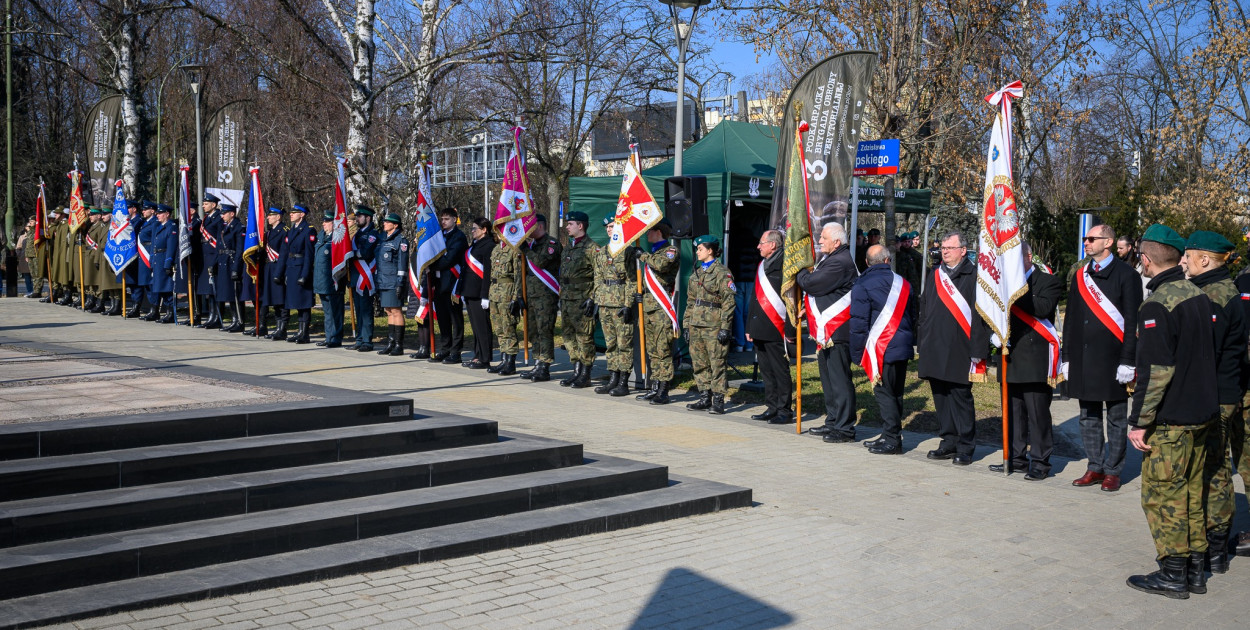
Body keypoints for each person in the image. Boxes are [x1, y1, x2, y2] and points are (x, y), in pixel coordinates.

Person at [1124, 224, 1218, 599]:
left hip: (1173, 420)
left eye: (1140, 258)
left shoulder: (1157, 304)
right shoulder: (1198, 295)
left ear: (1146, 260)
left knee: (1163, 497)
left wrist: (1139, 422)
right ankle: (1195, 570)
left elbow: (1156, 372)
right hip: (1201, 414)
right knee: (1192, 493)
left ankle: (1173, 573)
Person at [1062, 224, 1143, 492]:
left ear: (1107, 242)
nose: (1086, 242)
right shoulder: (1081, 274)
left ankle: (1113, 471)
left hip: (1113, 359)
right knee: (1088, 416)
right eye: (1085, 238)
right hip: (1084, 357)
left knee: (1117, 418)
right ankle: (1095, 466)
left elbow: (1132, 322)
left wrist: (1128, 360)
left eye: (1091, 238)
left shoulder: (1127, 275)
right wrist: (1066, 356)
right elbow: (1071, 318)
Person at [1183, 231, 1246, 572]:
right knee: (1215, 467)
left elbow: (1208, 353)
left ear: (1205, 260)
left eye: (1188, 256)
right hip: (1220, 392)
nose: (1183, 262)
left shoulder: (1216, 295)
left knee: (1214, 469)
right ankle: (1216, 549)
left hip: (1216, 396)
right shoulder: (1214, 290)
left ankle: (1215, 546)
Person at [990, 242, 1062, 479]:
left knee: (1037, 414)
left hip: (1034, 358)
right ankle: (1016, 458)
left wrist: (1015, 290)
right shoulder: (1001, 284)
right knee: (1013, 414)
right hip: (1009, 356)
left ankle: (1040, 462)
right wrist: (993, 332)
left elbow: (1043, 308)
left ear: (1028, 257)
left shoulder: (1048, 280)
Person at [917, 231, 989, 466]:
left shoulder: (975, 276)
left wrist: (978, 350)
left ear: (963, 250)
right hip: (934, 345)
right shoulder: (935, 274)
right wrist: (922, 340)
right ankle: (948, 441)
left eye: (949, 248)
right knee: (941, 397)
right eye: (943, 248)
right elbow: (925, 308)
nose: (944, 251)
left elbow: (980, 317)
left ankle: (966, 445)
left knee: (960, 397)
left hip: (961, 347)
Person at [797, 223, 859, 442]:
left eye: (824, 238)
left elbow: (812, 284)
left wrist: (800, 270)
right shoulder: (832, 258)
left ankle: (845, 428)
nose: (820, 241)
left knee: (840, 381)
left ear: (837, 242)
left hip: (838, 331)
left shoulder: (840, 262)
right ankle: (833, 421)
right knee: (829, 380)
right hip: (827, 331)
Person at [852, 245, 915, 454]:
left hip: (881, 348)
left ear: (867, 263)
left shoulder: (862, 284)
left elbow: (859, 323)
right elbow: (913, 315)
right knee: (896, 393)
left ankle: (893, 440)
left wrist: (857, 354)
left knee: (884, 393)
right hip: (902, 345)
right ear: (888, 261)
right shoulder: (903, 283)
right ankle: (889, 433)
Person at [745, 230, 793, 425]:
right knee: (766, 370)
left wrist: (790, 330)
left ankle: (784, 410)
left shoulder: (786, 265)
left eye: (762, 243)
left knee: (780, 371)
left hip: (776, 327)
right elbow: (754, 298)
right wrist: (749, 326)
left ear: (772, 245)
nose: (758, 246)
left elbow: (792, 301)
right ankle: (771, 407)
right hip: (760, 326)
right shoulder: (762, 265)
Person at [684, 234, 736, 414]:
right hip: (696, 324)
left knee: (717, 363)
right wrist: (686, 325)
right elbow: (690, 301)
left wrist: (725, 327)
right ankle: (704, 397)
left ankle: (718, 400)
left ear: (710, 250)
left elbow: (729, 301)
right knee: (699, 363)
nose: (697, 252)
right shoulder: (696, 273)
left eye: (700, 249)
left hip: (714, 325)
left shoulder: (722, 273)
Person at [590, 218, 637, 395]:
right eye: (607, 227)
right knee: (610, 344)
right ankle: (613, 379)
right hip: (605, 303)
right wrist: (597, 299)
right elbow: (597, 277)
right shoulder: (602, 251)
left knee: (624, 343)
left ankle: (623, 382)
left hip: (620, 303)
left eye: (612, 226)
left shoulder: (628, 251)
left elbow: (632, 280)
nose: (609, 230)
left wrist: (628, 304)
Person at [636, 219, 680, 405]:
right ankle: (655, 386)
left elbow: (661, 266)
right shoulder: (653, 252)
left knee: (663, 350)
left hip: (661, 308)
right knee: (652, 350)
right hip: (648, 306)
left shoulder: (670, 251)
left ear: (659, 232)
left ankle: (664, 390)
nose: (647, 234)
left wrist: (643, 255)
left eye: (650, 231)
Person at [519, 214, 562, 382]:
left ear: (540, 226)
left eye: (530, 226)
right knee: (533, 331)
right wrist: (519, 294)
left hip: (545, 296)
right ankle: (537, 362)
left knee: (544, 331)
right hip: (530, 295)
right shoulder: (532, 245)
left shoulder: (552, 244)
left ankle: (545, 365)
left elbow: (540, 262)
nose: (527, 230)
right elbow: (523, 273)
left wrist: (525, 249)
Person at [558, 211, 596, 387]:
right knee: (568, 336)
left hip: (582, 299)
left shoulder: (591, 248)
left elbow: (599, 275)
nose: (567, 227)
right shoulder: (568, 247)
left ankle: (585, 374)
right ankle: (576, 370)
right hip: (567, 298)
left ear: (580, 226)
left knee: (584, 337)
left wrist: (592, 298)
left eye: (570, 224)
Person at [428, 207, 467, 363]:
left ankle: (456, 352)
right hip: (439, 283)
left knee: (455, 319)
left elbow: (449, 259)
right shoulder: (438, 236)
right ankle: (445, 349)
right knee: (443, 318)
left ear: (454, 219)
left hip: (453, 283)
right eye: (442, 219)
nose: (443, 222)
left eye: (446, 219)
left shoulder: (459, 237)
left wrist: (432, 265)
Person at [460, 217, 496, 369]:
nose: (472, 231)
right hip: (470, 291)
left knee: (482, 327)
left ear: (484, 230)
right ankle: (477, 355)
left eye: (475, 228)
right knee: (475, 327)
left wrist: (485, 296)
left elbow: (487, 273)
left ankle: (484, 358)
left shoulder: (489, 245)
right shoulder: (475, 245)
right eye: (472, 228)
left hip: (479, 293)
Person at [374, 213, 409, 356]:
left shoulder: (401, 240)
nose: (384, 223)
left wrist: (400, 283)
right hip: (383, 281)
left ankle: (399, 345)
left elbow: (402, 263)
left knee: (396, 311)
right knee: (388, 311)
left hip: (394, 281)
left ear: (395, 225)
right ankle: (391, 343)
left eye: (387, 222)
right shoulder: (382, 239)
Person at [280, 205, 316, 344]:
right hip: (291, 267)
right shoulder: (292, 230)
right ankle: (300, 332)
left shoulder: (308, 230)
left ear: (302, 214)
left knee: (304, 302)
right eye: (291, 212)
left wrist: (305, 274)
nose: (291, 214)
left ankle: (304, 333)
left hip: (301, 268)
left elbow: (309, 255)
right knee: (296, 302)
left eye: (294, 213)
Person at [487, 238, 522, 376]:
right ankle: (503, 360)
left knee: (508, 328)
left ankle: (510, 363)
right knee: (499, 329)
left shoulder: (514, 249)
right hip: (494, 292)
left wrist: (516, 297)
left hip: (507, 293)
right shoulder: (496, 249)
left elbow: (519, 275)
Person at [348, 206, 379, 352]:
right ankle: (359, 339)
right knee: (359, 310)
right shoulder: (356, 234)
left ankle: (367, 340)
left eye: (359, 217)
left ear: (368, 218)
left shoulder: (372, 234)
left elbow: (366, 253)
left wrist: (351, 253)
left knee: (366, 310)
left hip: (365, 277)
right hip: (356, 276)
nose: (357, 219)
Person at [313, 211, 346, 348]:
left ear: (334, 223)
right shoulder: (321, 236)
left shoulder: (338, 239)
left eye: (326, 222)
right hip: (322, 280)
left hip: (333, 281)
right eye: (324, 222)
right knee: (327, 311)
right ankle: (329, 337)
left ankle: (336, 338)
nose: (323, 224)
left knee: (335, 311)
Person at [214, 204, 245, 333]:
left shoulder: (238, 227)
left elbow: (239, 250)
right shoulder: (224, 227)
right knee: (228, 293)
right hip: (223, 262)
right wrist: (214, 263)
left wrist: (236, 268)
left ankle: (240, 321)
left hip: (232, 263)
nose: (222, 216)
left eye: (224, 213)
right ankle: (234, 320)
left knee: (235, 293)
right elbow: (218, 247)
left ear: (232, 214)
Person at [260, 208, 288, 338]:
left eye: (271, 215)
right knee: (275, 300)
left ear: (278, 217)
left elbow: (283, 254)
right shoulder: (270, 232)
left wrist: (279, 272)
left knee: (281, 300)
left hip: (278, 268)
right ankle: (278, 328)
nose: (268, 218)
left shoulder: (284, 231)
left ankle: (282, 329)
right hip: (270, 268)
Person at [148, 204, 178, 323]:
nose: (158, 215)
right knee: (160, 287)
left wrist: (168, 263)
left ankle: (170, 313)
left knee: (167, 287)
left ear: (167, 214)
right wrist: (151, 261)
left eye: (160, 213)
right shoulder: (158, 226)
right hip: (157, 259)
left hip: (164, 259)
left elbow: (171, 247)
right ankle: (164, 312)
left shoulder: (171, 227)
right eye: (157, 213)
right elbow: (154, 245)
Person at [196, 193, 223, 328]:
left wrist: (216, 258)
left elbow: (219, 241)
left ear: (213, 205)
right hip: (205, 255)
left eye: (206, 204)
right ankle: (211, 316)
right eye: (203, 204)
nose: (203, 206)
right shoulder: (206, 218)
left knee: (215, 288)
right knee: (209, 289)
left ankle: (217, 317)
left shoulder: (219, 218)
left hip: (213, 255)